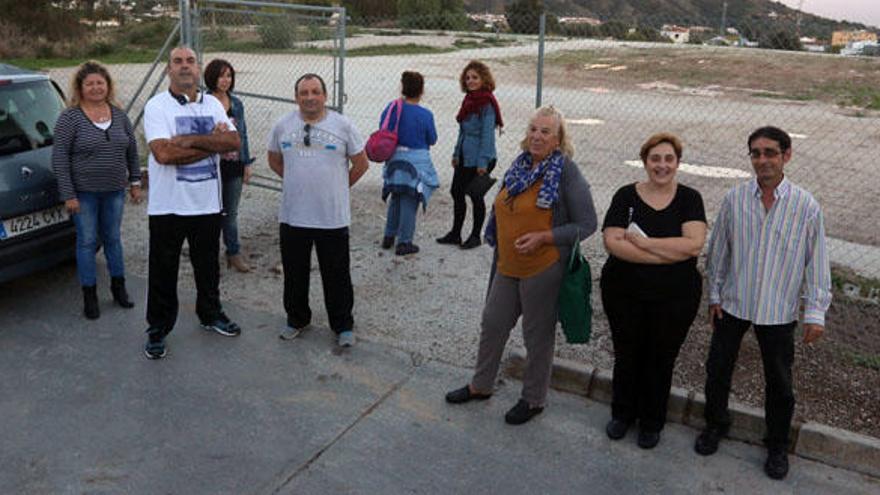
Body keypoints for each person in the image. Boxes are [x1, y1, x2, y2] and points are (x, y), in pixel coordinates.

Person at [445, 106, 597, 425]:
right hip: (507, 263)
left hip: (543, 267)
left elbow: (587, 223)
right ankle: (481, 385)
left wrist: (545, 237)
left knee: (537, 336)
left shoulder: (566, 171)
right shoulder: (519, 166)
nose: (537, 136)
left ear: (558, 140)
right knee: (493, 323)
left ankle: (533, 399)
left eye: (546, 132)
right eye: (533, 129)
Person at [696, 126, 832, 480]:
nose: (762, 160)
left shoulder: (805, 206)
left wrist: (815, 312)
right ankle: (715, 424)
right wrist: (715, 294)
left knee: (780, 382)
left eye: (770, 152)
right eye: (755, 153)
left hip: (778, 309)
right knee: (718, 370)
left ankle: (776, 445)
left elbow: (816, 262)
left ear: (787, 156)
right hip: (734, 303)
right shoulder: (735, 199)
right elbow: (719, 251)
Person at [600, 133, 707, 449]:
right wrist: (668, 253)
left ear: (677, 163)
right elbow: (613, 243)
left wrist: (646, 244)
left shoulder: (689, 198)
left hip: (675, 298)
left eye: (668, 159)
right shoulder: (625, 196)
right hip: (624, 292)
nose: (662, 165)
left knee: (661, 358)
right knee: (627, 353)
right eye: (655, 159)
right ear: (645, 162)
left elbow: (694, 244)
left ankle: (651, 421)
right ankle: (623, 414)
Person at [142, 46, 243, 360]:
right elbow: (164, 155)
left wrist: (187, 140)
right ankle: (157, 329)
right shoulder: (157, 106)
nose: (184, 67)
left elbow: (234, 142)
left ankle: (210, 313)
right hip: (168, 206)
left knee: (208, 266)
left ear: (198, 69)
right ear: (168, 70)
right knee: (163, 271)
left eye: (190, 61)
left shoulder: (212, 103)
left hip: (206, 205)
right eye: (177, 62)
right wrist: (210, 145)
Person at [267, 73, 369, 347]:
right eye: (304, 93)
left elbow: (361, 164)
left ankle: (342, 325)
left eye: (315, 92)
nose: (310, 97)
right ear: (296, 97)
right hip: (293, 215)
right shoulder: (282, 125)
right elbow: (274, 159)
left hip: (331, 217)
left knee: (337, 274)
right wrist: (297, 182)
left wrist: (337, 186)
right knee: (294, 272)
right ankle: (296, 319)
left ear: (325, 96)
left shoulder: (343, 125)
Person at [52, 60, 141, 319]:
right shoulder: (70, 118)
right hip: (84, 194)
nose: (95, 87)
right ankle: (89, 296)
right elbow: (60, 158)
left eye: (100, 83)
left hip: (115, 191)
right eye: (89, 83)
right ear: (80, 88)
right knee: (87, 241)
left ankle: (119, 289)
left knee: (113, 239)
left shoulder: (119, 115)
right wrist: (68, 194)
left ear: (108, 86)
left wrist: (135, 182)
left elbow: (132, 152)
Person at [436, 60, 503, 250]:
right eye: (467, 78)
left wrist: (482, 162)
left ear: (484, 79)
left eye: (475, 77)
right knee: (456, 192)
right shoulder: (469, 101)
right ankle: (455, 233)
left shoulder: (487, 104)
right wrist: (456, 153)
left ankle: (475, 236)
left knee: (475, 196)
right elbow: (463, 131)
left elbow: (487, 136)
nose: (470, 81)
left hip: (481, 158)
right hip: (465, 156)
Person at [204, 58, 256, 273]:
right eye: (221, 75)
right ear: (211, 77)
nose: (225, 80)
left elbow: (242, 134)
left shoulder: (236, 103)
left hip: (233, 165)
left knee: (230, 213)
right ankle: (208, 254)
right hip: (210, 166)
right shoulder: (202, 102)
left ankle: (233, 253)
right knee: (210, 213)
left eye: (229, 76)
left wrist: (246, 163)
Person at [379, 71, 439, 256]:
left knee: (396, 197)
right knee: (409, 201)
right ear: (421, 90)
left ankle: (389, 236)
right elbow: (432, 138)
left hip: (395, 159)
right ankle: (404, 242)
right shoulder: (425, 114)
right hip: (416, 162)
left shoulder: (392, 108)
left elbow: (383, 127)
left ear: (402, 87)